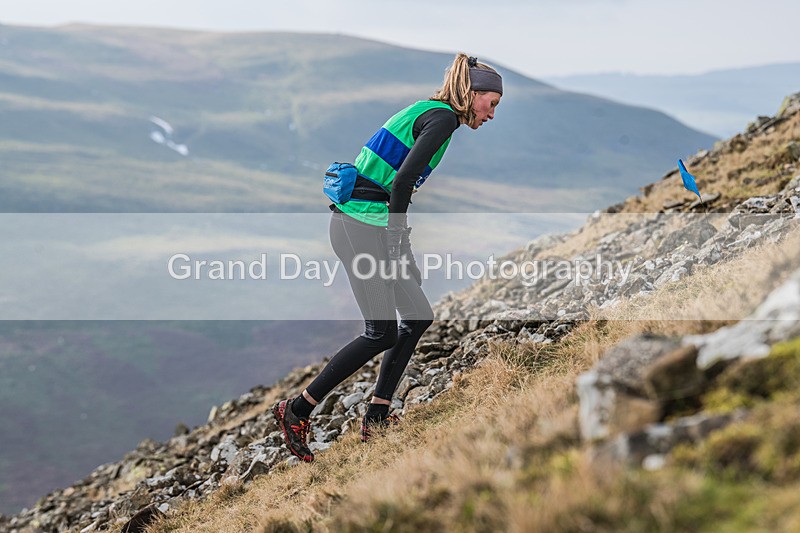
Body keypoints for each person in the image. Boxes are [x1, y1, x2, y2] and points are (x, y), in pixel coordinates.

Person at [273, 53, 503, 462]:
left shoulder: (428, 111)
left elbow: (394, 185)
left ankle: (377, 415)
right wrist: (399, 240)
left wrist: (401, 246)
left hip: (363, 225)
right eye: (492, 103)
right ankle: (297, 410)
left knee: (416, 317)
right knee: (380, 331)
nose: (491, 114)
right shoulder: (444, 119)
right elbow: (399, 186)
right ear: (472, 93)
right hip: (363, 228)